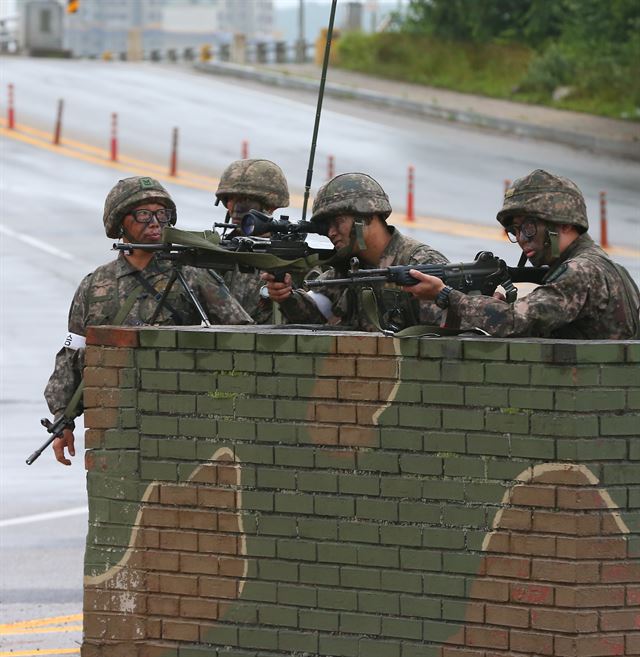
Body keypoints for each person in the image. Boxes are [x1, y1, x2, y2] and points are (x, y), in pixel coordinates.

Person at [45, 176, 252, 465]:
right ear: (120, 222)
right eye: (143, 214)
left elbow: (245, 337)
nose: (155, 222)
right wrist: (63, 420)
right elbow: (73, 356)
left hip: (184, 421)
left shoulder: (192, 274)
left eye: (162, 214)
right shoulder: (95, 285)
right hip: (117, 424)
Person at [403, 169, 640, 339]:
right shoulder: (606, 266)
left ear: (565, 224)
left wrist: (446, 295)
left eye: (528, 227)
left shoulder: (581, 272)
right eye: (515, 231)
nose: (522, 239)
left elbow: (514, 322)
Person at [261, 172, 448, 331]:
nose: (331, 232)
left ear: (365, 216)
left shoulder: (420, 265)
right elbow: (315, 321)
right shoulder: (346, 270)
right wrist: (287, 297)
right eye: (327, 226)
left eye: (338, 221)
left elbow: (453, 335)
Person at [214, 158, 290, 323]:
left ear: (270, 205)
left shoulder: (291, 256)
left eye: (245, 200)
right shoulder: (217, 252)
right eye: (230, 199)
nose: (235, 208)